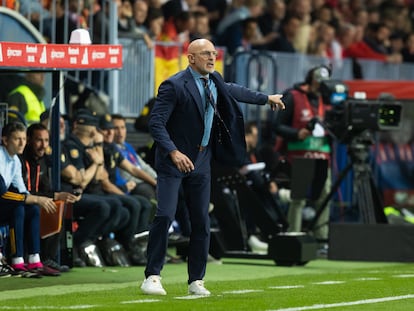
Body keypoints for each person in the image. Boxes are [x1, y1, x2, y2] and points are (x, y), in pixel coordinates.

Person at [140, 38, 285, 296]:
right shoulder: (174, 85)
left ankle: (196, 280)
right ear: (191, 58)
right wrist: (173, 151)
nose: (211, 57)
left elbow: (236, 90)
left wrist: (266, 98)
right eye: (205, 53)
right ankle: (152, 275)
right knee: (165, 215)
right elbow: (156, 124)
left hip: (202, 160)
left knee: (201, 221)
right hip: (174, 161)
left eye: (214, 53)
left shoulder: (214, 80)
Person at [272, 65, 333, 253]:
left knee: (324, 196)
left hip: (322, 156)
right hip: (299, 157)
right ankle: (294, 238)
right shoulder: (294, 96)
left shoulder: (326, 99)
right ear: (312, 79)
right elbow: (277, 125)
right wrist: (297, 133)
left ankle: (321, 240)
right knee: (298, 199)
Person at [0, 122, 58, 277]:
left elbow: (22, 190)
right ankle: (16, 260)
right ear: (5, 140)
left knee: (31, 208)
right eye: (17, 139)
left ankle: (34, 260)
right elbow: (2, 193)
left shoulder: (15, 161)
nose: (21, 143)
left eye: (24, 139)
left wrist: (37, 200)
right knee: (18, 206)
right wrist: (35, 199)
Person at [20, 123, 80, 272]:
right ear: (28, 140)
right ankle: (37, 257)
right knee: (47, 205)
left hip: (35, 200)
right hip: (20, 202)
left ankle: (50, 258)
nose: (43, 145)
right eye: (39, 140)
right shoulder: (21, 160)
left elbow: (46, 189)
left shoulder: (43, 161)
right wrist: (55, 195)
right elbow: (24, 192)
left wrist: (70, 193)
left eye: (46, 141)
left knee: (59, 203)